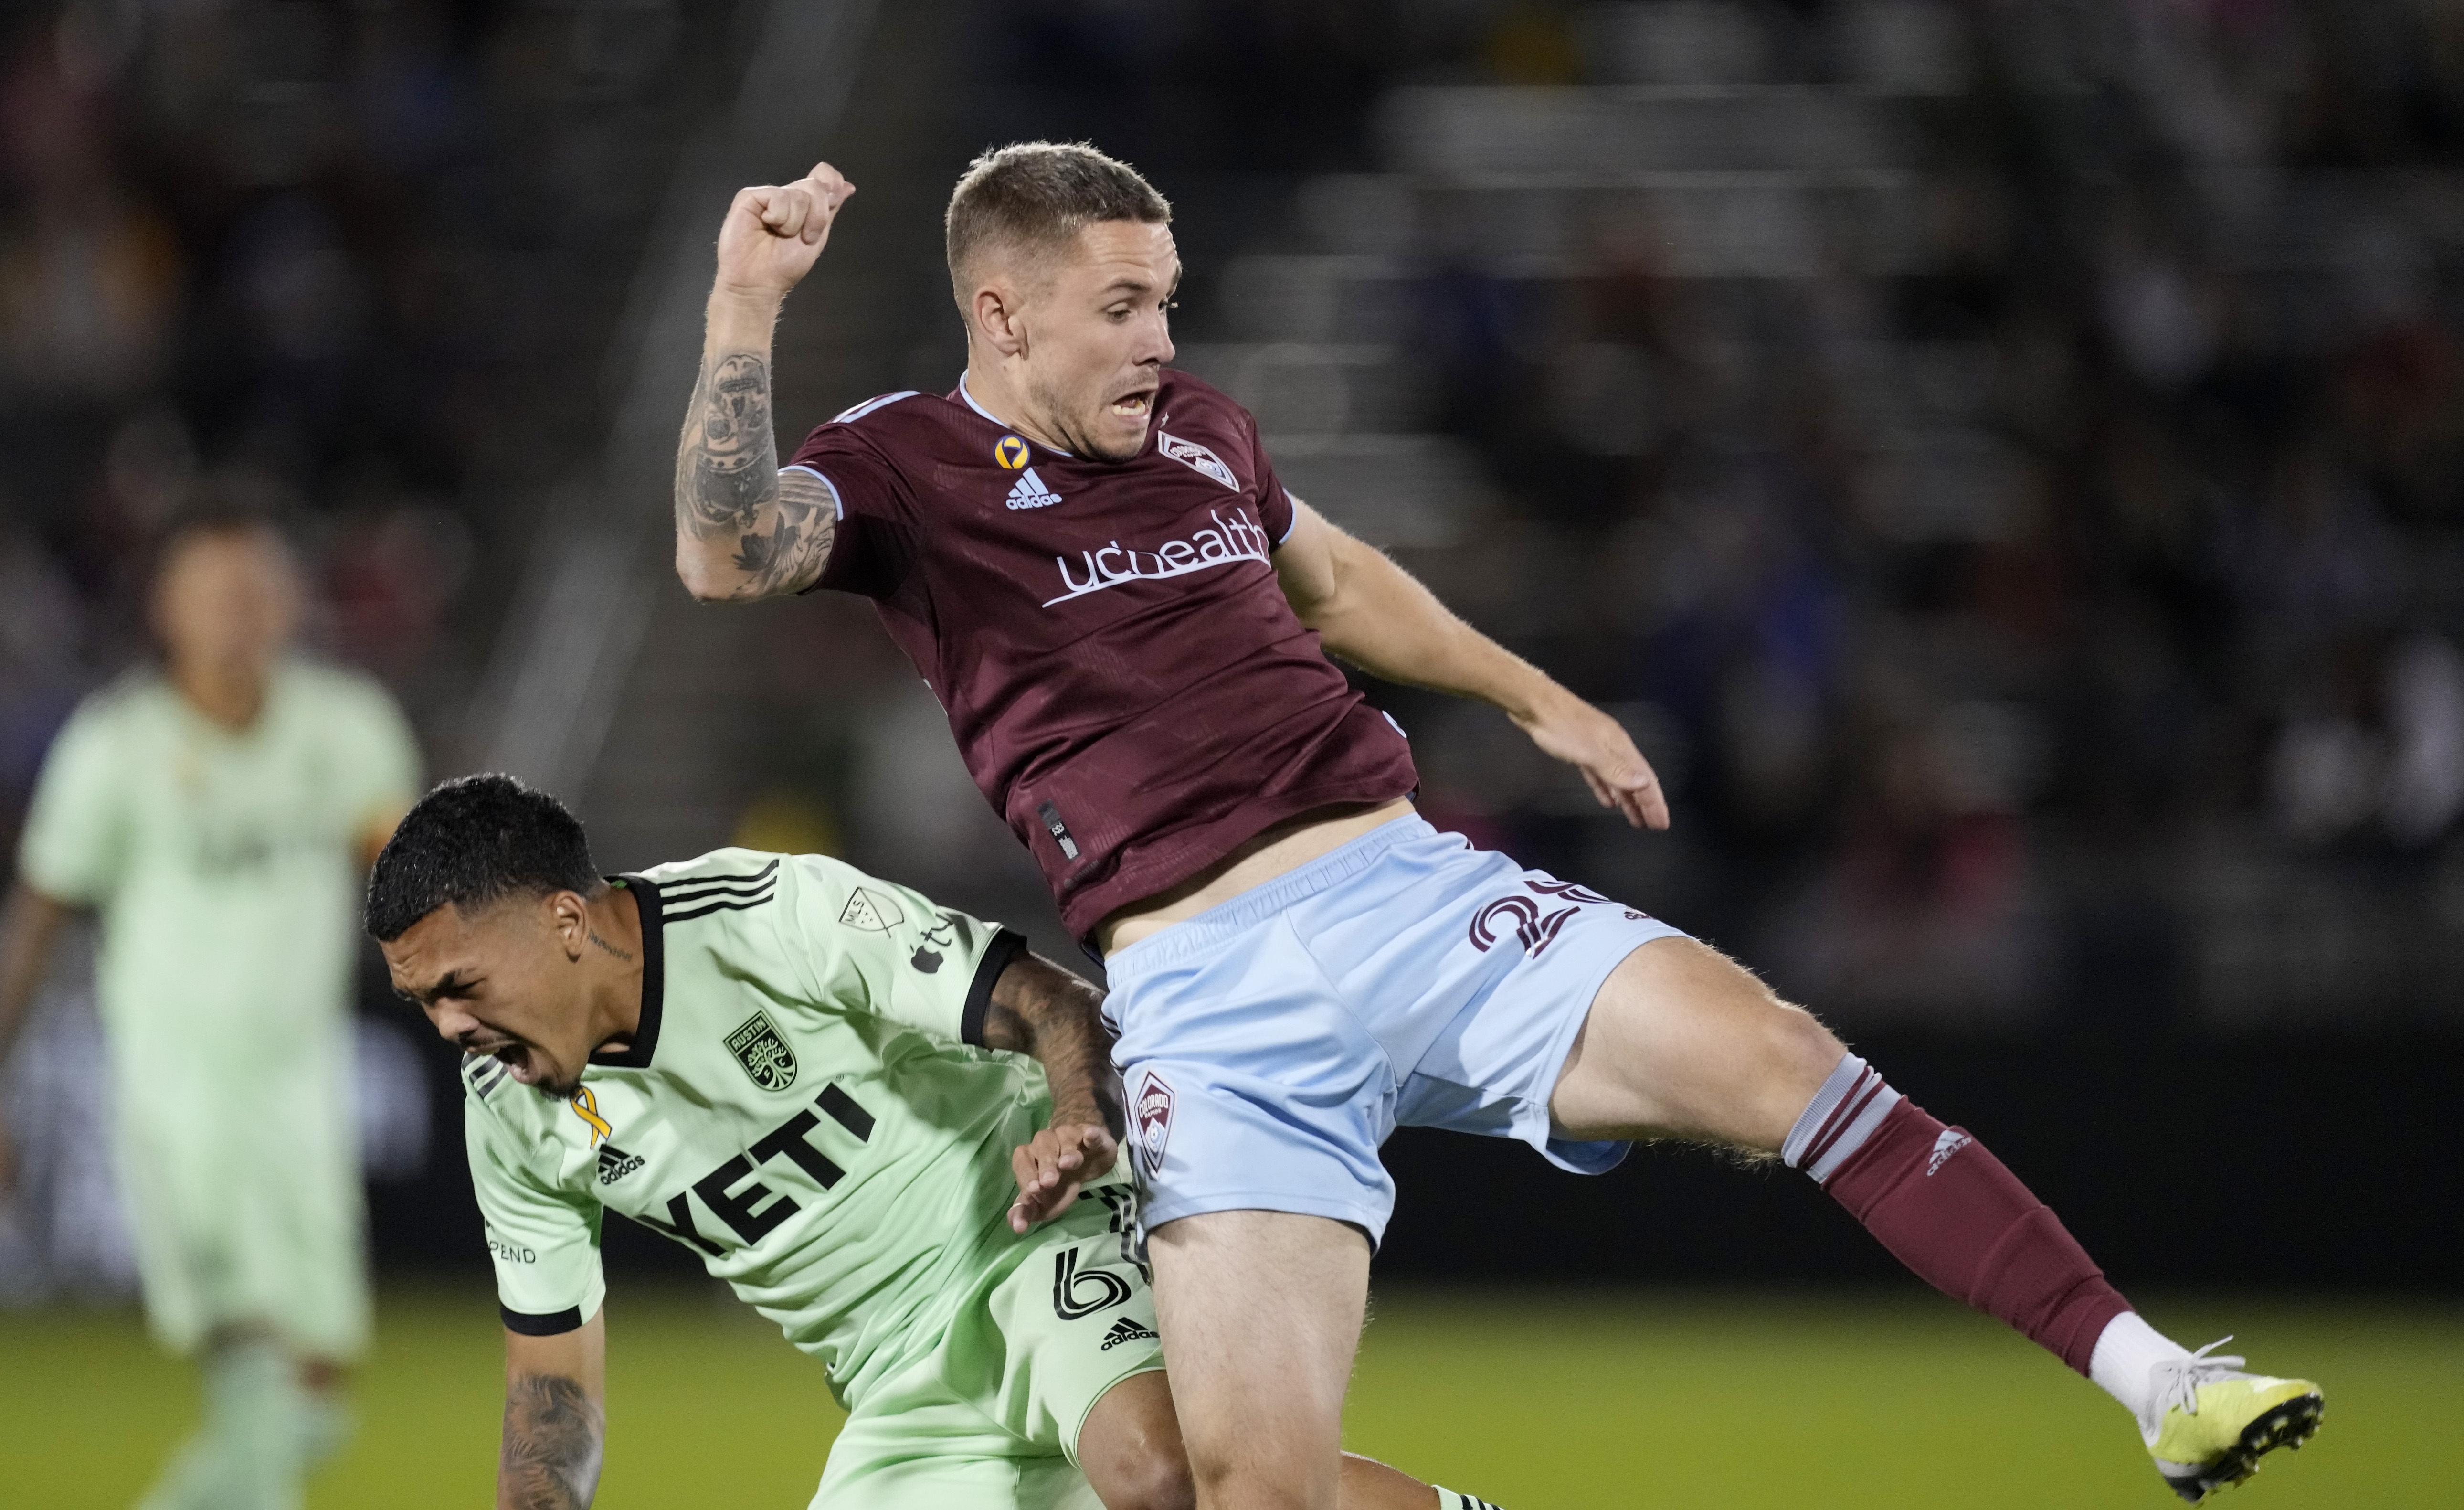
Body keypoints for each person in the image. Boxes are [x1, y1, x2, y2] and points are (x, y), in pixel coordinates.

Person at [667, 144, 2323, 1508]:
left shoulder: (1201, 434)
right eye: (1123, 305)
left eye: (1168, 297)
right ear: (1003, 312)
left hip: (1403, 891)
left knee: (1785, 1066)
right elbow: (729, 554)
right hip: (1200, 1007)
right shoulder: (899, 462)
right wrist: (746, 302)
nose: (1164, 337)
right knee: (1252, 1496)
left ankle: (2157, 1379)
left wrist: (1535, 695)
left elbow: (1333, 577)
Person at [365, 772, 1496, 1510]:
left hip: (1028, 1242)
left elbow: (1050, 1000)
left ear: (564, 921)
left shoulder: (769, 919)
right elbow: (552, 1386)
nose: (451, 1028)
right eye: (423, 1004)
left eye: (459, 986)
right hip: (896, 1378)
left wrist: (1074, 1116)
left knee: (1158, 1474)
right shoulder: (507, 1114)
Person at [0, 503, 421, 1510]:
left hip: (300, 1084)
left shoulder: (347, 730)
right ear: (168, 608)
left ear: (288, 604)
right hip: (171, 1091)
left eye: (257, 590)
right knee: (261, 1354)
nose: (239, 614)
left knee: (312, 1381)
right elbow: (40, 915)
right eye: (216, 593)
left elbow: (414, 889)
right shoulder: (116, 747)